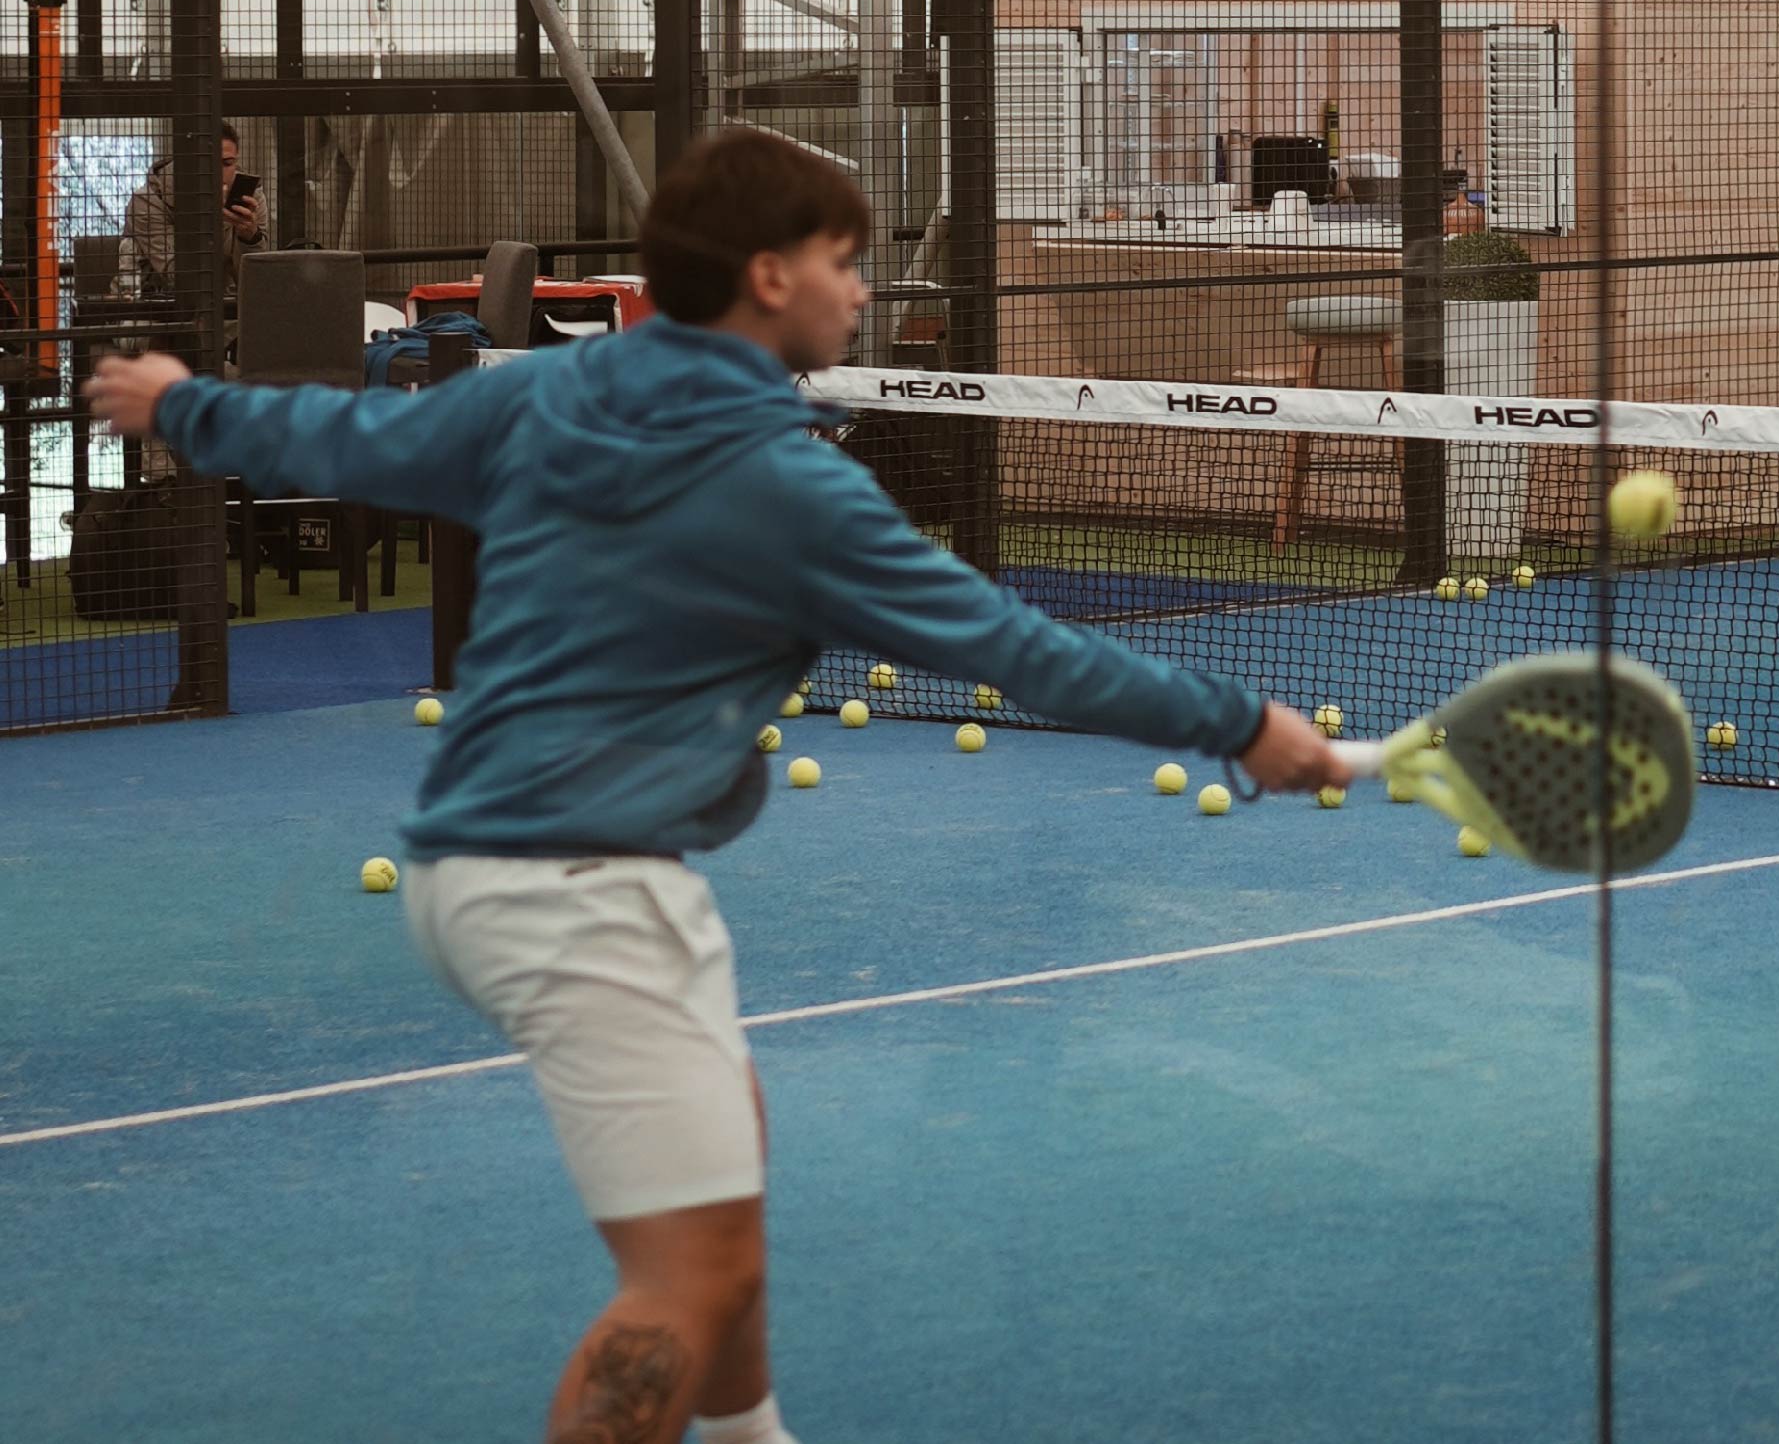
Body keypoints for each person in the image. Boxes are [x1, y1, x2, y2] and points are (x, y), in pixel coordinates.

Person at [88, 128, 1346, 1444]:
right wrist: (1236, 721)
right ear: (768, 275)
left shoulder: (549, 393)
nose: (861, 288)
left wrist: (183, 403)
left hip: (488, 867)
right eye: (842, 260)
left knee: (724, 1186)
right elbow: (1017, 650)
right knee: (678, 1286)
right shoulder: (792, 488)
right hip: (574, 888)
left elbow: (348, 435)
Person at [119, 124, 265, 318]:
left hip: (229, 308)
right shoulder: (148, 201)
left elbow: (256, 281)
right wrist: (215, 219)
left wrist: (250, 238)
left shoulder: (251, 197)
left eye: (227, 163)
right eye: (207, 163)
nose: (218, 173)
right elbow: (180, 278)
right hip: (155, 309)